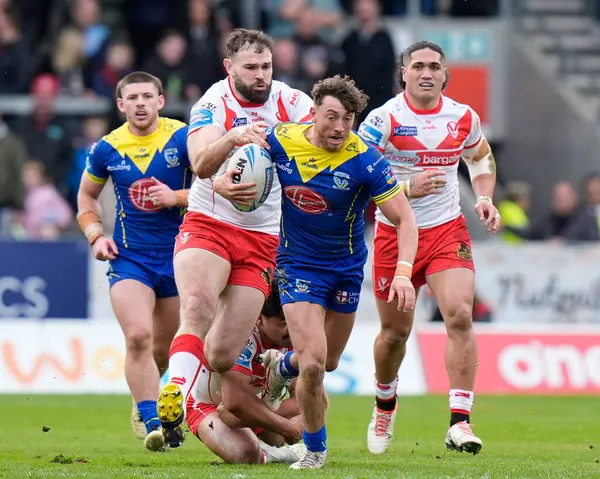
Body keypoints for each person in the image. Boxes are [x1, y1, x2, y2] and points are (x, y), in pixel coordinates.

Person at [158, 29, 313, 447]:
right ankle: (175, 390)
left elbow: (320, 156)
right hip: (209, 221)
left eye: (266, 66)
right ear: (229, 68)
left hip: (262, 237)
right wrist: (232, 139)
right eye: (251, 67)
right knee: (196, 305)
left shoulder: (296, 104)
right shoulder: (211, 104)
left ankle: (209, 388)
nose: (261, 75)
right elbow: (201, 162)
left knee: (223, 353)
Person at [260, 75, 418, 469]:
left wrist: (402, 272)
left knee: (325, 363)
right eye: (332, 116)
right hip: (297, 266)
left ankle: (282, 365)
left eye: (348, 118)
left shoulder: (365, 159)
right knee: (313, 362)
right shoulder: (280, 140)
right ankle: (315, 449)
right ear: (314, 112)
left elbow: (406, 220)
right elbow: (242, 163)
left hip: (345, 271)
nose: (340, 127)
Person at [356, 40, 502, 456]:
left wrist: (485, 197)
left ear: (444, 74)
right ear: (403, 73)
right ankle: (385, 403)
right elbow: (358, 179)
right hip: (394, 232)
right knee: (395, 333)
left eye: (434, 66)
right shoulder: (382, 120)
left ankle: (460, 422)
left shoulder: (462, 117)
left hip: (445, 230)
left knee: (458, 314)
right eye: (417, 65)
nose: (426, 72)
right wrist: (406, 187)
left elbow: (480, 157)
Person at [77, 71, 191, 452]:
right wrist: (96, 236)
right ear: (120, 104)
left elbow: (212, 190)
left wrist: (175, 196)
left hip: (180, 259)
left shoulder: (183, 137)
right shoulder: (106, 149)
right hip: (131, 259)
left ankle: (144, 392)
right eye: (132, 98)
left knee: (164, 350)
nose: (140, 104)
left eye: (147, 96)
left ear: (160, 101)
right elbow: (86, 200)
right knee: (138, 337)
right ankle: (151, 417)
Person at [185, 282, 307, 464]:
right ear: (259, 318)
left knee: (282, 430)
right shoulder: (242, 337)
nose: (290, 330)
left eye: (293, 321)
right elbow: (234, 402)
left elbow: (309, 398)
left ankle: (262, 436)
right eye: (283, 323)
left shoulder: (294, 339)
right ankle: (279, 454)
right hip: (208, 405)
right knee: (246, 454)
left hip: (244, 409)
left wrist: (297, 423)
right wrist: (289, 427)